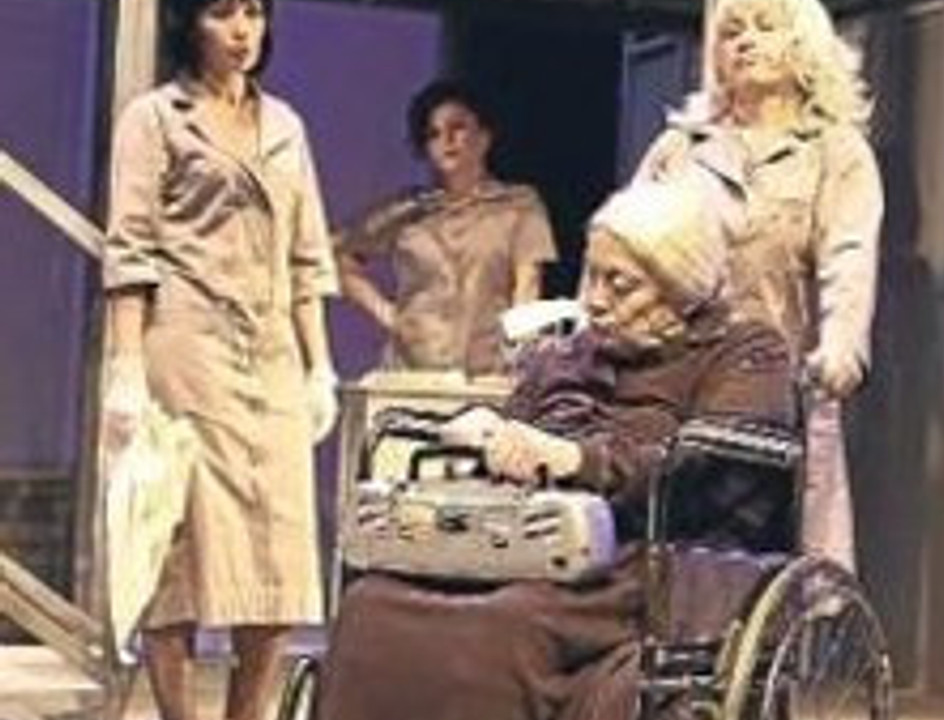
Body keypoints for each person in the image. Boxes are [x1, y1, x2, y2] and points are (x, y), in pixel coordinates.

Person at [315, 179, 795, 720]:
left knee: (504, 626)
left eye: (620, 284)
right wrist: (489, 433)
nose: (595, 300)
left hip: (648, 556)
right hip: (533, 540)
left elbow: (710, 469)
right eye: (592, 274)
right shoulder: (570, 354)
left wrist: (575, 460)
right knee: (372, 605)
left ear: (680, 287)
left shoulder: (746, 353)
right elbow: (521, 435)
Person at [98, 1, 338, 718]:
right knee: (177, 547)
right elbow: (131, 249)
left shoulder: (285, 125)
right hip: (187, 351)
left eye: (254, 12)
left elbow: (308, 258)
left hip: (271, 357)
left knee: (278, 555)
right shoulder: (155, 117)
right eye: (223, 12)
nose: (242, 30)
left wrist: (319, 365)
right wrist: (126, 367)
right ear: (190, 24)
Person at [634, 0, 884, 570]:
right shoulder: (681, 150)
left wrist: (842, 349)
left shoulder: (835, 152)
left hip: (783, 396)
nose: (744, 41)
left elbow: (848, 258)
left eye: (765, 26)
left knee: (797, 568)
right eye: (732, 32)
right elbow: (624, 250)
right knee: (674, 559)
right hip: (683, 390)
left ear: (803, 43)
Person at [335, 79, 559, 375]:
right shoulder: (408, 209)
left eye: (457, 128)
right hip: (412, 372)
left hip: (487, 373)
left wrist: (519, 359)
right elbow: (337, 254)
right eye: (434, 134)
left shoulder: (518, 206)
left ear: (484, 137)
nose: (447, 141)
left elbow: (527, 286)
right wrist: (389, 315)